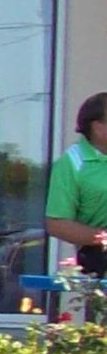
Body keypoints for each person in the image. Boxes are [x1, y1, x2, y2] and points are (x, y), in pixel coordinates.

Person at [45, 90, 107, 278]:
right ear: (97, 127)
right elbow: (57, 223)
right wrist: (104, 238)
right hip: (99, 258)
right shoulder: (72, 162)